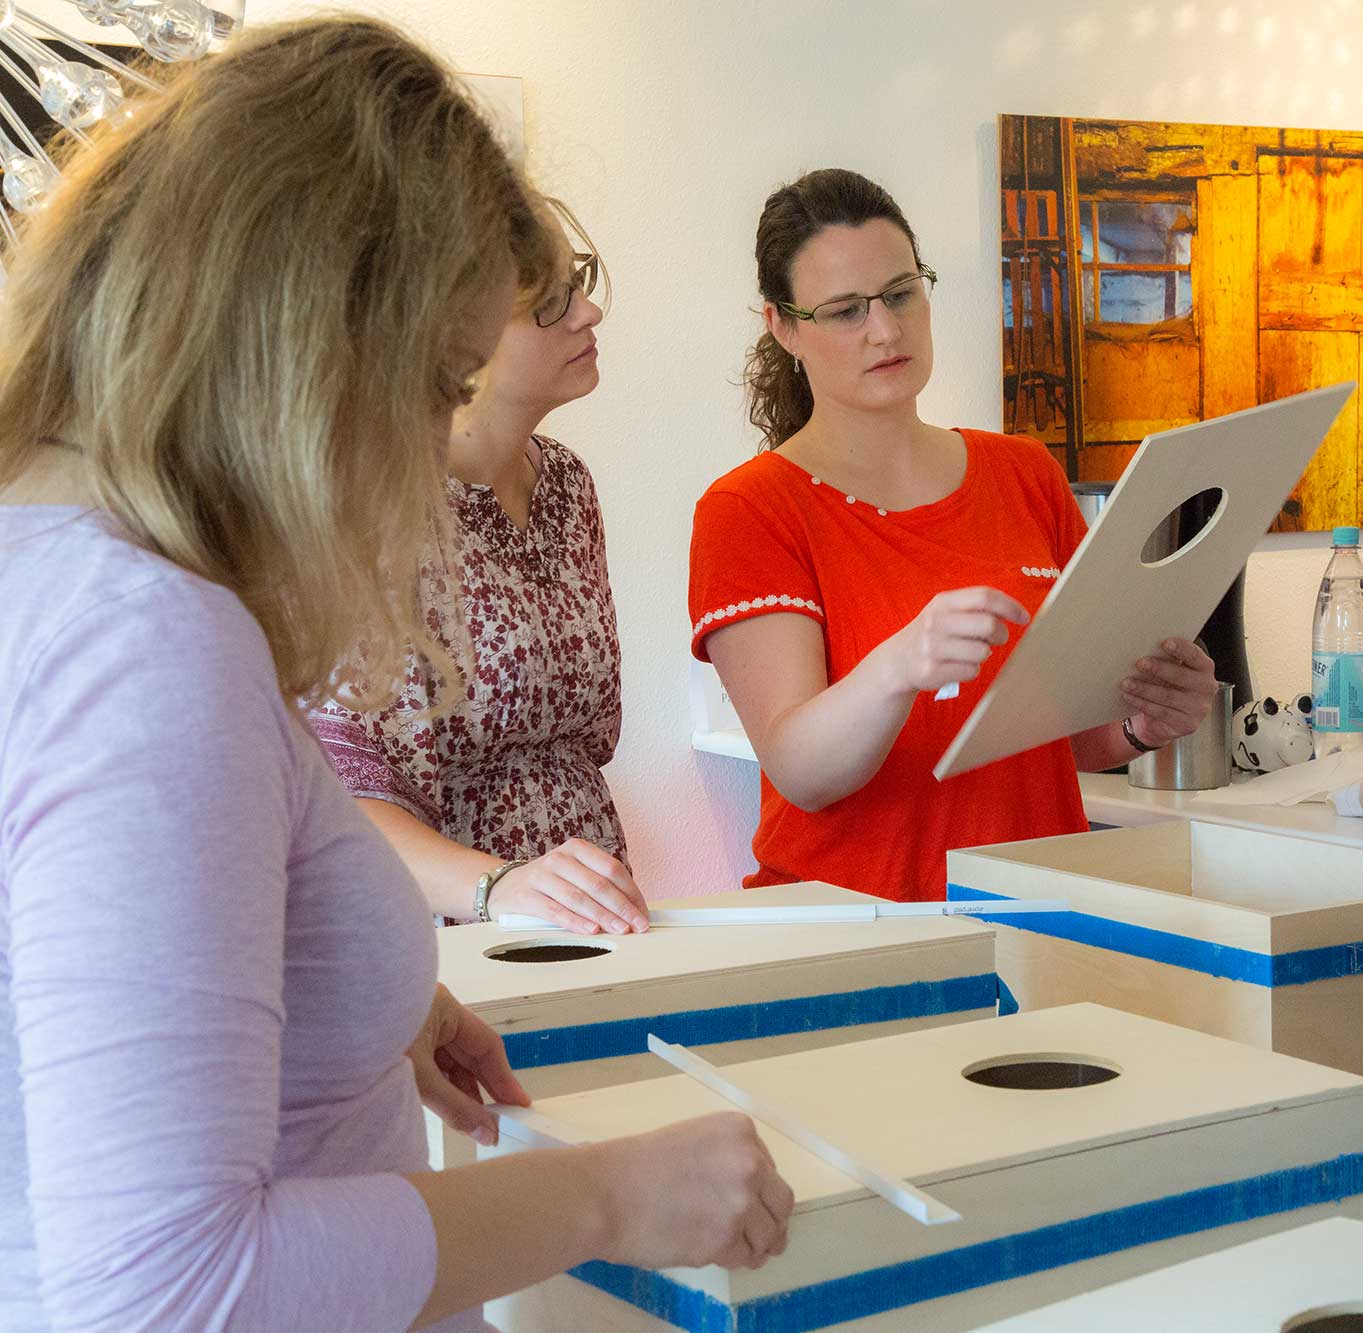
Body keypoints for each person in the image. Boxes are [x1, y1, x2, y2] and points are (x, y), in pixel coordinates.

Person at [0, 19, 788, 1330]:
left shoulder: (56, 558)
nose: (433, 447)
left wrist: (362, 996)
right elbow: (169, 1292)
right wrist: (608, 1197)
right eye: (435, 383)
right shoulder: (143, 642)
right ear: (303, 344)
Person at [689, 168, 1218, 901]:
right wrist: (898, 666)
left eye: (902, 292)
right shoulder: (750, 508)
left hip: (1039, 913)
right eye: (845, 311)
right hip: (857, 933)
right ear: (784, 327)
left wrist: (1144, 719)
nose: (885, 329)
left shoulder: (1023, 472)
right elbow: (801, 771)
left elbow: (1065, 735)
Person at [312, 197, 649, 937]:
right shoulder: (373, 505)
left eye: (580, 281)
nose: (588, 313)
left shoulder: (566, 484)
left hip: (585, 924)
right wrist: (502, 886)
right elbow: (338, 789)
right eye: (551, 300)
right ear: (455, 333)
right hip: (450, 937)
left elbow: (586, 745)